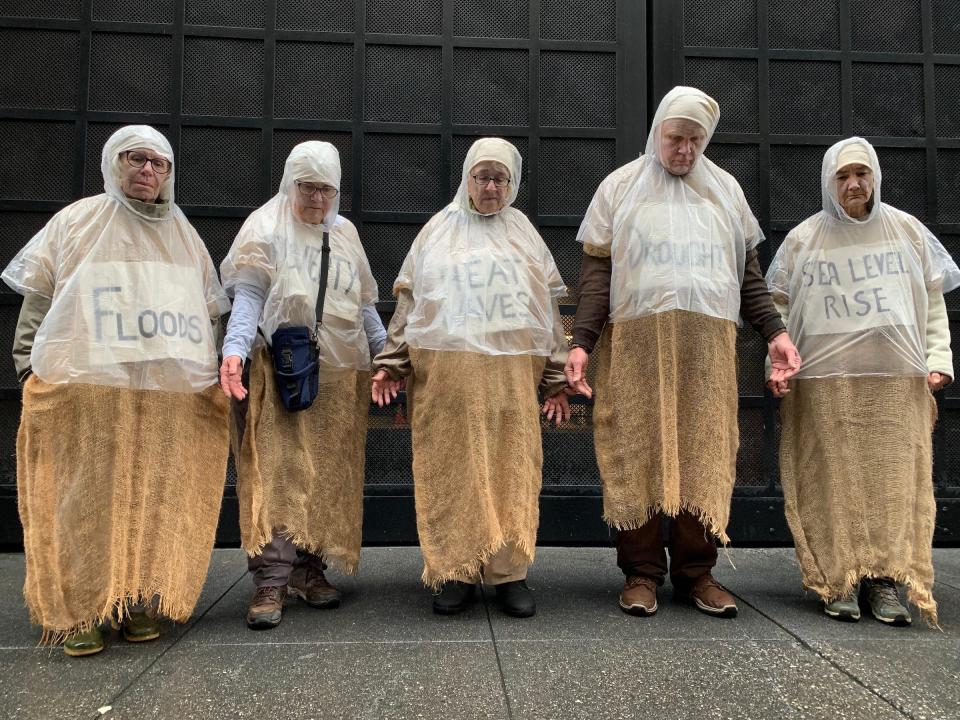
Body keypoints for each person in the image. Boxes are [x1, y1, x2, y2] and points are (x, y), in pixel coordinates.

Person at [565, 87, 801, 619]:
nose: (685, 151)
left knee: (705, 448)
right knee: (636, 448)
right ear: (657, 134)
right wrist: (581, 342)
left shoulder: (726, 192)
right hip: (635, 346)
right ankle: (641, 572)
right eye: (676, 139)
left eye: (696, 141)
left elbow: (749, 278)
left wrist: (776, 334)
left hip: (706, 349)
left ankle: (698, 572)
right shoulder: (620, 188)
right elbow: (597, 275)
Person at [3, 125, 231, 656]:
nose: (148, 170)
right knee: (82, 500)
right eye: (136, 159)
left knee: (150, 499)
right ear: (113, 162)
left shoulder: (183, 233)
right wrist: (28, 370)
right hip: (87, 394)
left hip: (159, 401)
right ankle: (80, 610)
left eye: (160, 163)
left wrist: (205, 376)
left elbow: (206, 313)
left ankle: (133, 603)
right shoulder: (78, 222)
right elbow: (39, 298)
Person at [371, 137, 570, 618]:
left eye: (500, 178)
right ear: (466, 179)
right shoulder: (437, 231)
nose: (490, 186)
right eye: (481, 176)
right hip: (448, 378)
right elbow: (410, 305)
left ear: (512, 183)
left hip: (509, 379)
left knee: (511, 468)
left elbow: (547, 310)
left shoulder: (524, 235)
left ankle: (509, 574)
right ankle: (454, 571)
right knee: (451, 468)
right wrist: (392, 362)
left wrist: (557, 376)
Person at [766, 137, 958, 627]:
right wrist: (777, 366)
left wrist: (938, 358)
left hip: (895, 382)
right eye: (843, 176)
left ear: (874, 176)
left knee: (893, 482)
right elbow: (778, 309)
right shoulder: (804, 239)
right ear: (830, 183)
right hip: (827, 384)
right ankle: (838, 580)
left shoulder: (908, 233)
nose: (853, 184)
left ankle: (885, 581)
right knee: (833, 480)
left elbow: (933, 303)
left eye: (861, 174)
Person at [220, 141, 385, 630]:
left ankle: (310, 568)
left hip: (340, 371)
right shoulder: (266, 227)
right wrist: (234, 349)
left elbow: (364, 304)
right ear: (291, 184)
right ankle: (271, 577)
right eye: (309, 188)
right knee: (276, 470)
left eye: (326, 189)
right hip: (281, 367)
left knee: (326, 471)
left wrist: (387, 356)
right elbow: (247, 295)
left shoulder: (346, 233)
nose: (317, 199)